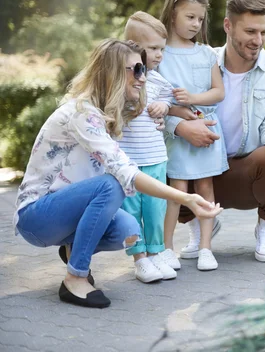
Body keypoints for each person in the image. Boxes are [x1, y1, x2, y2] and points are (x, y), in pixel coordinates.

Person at [13, 39, 223, 309]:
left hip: (65, 210)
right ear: (111, 72)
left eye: (143, 69)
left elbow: (157, 112)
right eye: (135, 69)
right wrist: (188, 199)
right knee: (112, 185)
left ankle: (72, 249)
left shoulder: (107, 113)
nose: (142, 77)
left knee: (129, 230)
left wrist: (180, 119)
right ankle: (75, 277)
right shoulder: (82, 113)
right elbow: (126, 173)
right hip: (36, 216)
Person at [165, 0, 265, 263]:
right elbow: (161, 107)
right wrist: (180, 127)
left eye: (263, 32)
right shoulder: (199, 59)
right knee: (159, 163)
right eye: (250, 32)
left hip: (243, 172)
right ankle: (199, 227)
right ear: (228, 26)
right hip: (197, 167)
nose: (258, 40)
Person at [158, 0, 228, 271]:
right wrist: (179, 110)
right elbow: (155, 99)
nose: (195, 24)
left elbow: (218, 92)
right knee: (176, 190)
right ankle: (166, 249)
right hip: (177, 135)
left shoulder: (206, 54)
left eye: (200, 19)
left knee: (205, 186)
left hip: (208, 127)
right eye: (189, 17)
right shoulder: (160, 54)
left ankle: (206, 249)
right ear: (173, 13)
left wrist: (193, 98)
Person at [119, 11, 181, 283]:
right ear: (133, 47)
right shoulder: (122, 81)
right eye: (153, 48)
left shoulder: (158, 80)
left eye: (162, 49)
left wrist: (165, 107)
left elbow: (169, 98)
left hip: (156, 157)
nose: (159, 55)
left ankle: (156, 253)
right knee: (131, 212)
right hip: (129, 162)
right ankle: (139, 259)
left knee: (156, 209)